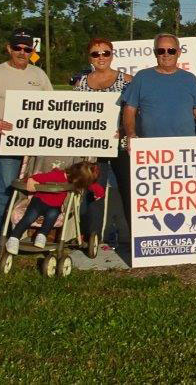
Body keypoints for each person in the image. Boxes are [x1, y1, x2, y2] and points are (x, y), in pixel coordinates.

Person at [0, 28, 54, 251]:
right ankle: (0, 241)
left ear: (32, 51)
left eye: (27, 49)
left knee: (34, 191)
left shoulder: (39, 75)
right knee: (5, 192)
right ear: (9, 48)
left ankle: (22, 234)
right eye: (17, 47)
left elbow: (54, 106)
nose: (22, 52)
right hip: (6, 143)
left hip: (36, 145)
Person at [74, 37, 132, 244]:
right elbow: (75, 113)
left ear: (112, 55)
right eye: (95, 54)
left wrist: (126, 128)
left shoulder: (127, 81)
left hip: (121, 144)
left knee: (128, 188)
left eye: (105, 53)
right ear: (89, 57)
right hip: (94, 146)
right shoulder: (82, 83)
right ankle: (93, 234)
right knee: (94, 190)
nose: (101, 57)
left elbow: (138, 109)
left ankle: (135, 232)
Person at [121, 34, 196, 144]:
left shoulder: (189, 79)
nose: (166, 54)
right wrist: (131, 134)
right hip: (150, 148)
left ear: (178, 53)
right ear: (155, 53)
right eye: (161, 51)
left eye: (171, 50)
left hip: (185, 147)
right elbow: (130, 110)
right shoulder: (141, 77)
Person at [4, 162, 104, 254]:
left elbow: (92, 186)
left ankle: (42, 235)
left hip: (54, 206)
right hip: (39, 201)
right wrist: (31, 181)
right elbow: (39, 177)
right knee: (30, 217)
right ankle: (14, 238)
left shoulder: (77, 179)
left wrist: (99, 193)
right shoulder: (56, 175)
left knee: (52, 215)